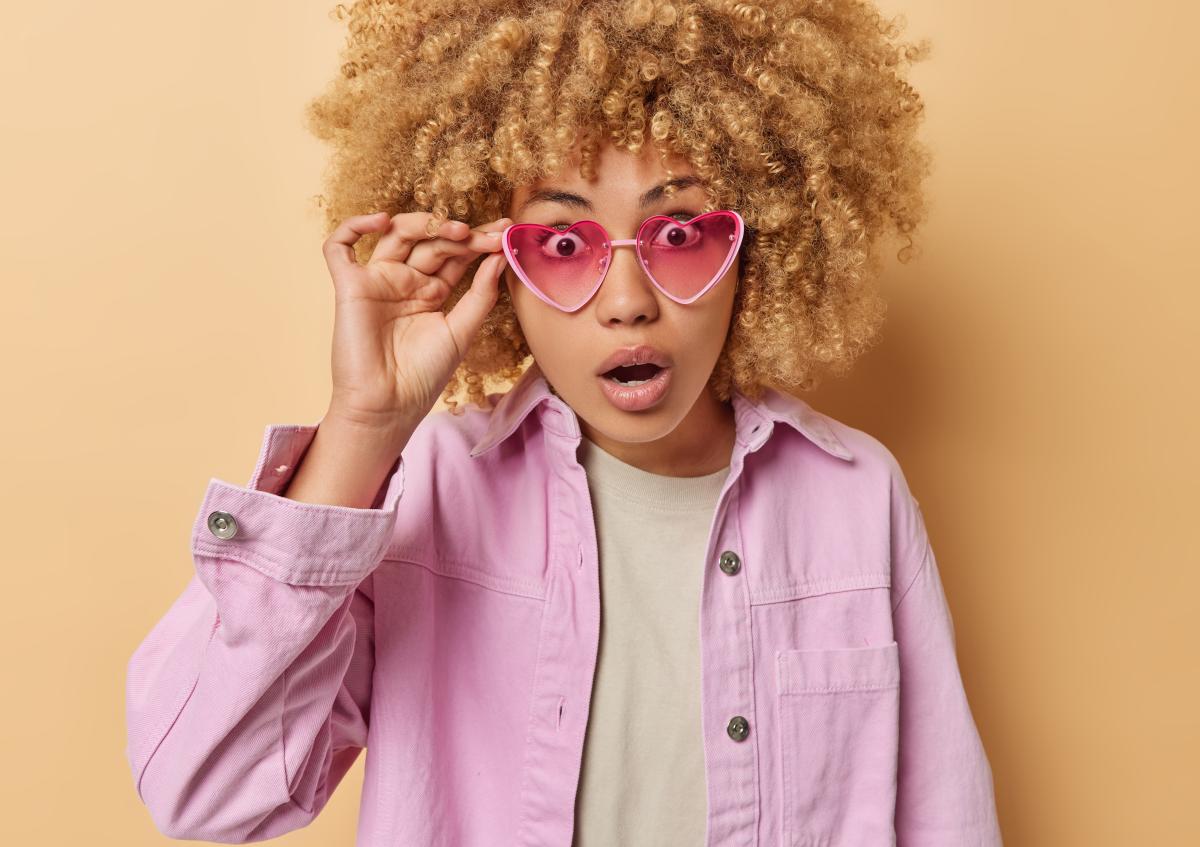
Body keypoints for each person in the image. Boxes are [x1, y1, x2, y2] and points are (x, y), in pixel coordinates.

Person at [125, 1, 1002, 844]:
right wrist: (362, 425)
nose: (627, 302)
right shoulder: (430, 491)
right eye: (564, 244)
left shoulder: (855, 498)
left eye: (681, 232)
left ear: (760, 246)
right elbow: (203, 789)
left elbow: (944, 820)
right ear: (495, 264)